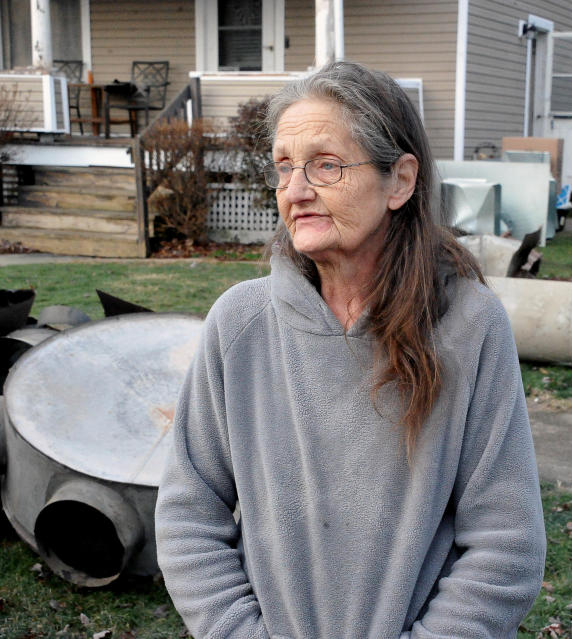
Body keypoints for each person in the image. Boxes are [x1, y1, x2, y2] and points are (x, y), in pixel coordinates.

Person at [155, 60, 546, 639]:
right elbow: (190, 516)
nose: (296, 191)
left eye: (325, 166)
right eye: (284, 167)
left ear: (401, 181)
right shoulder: (240, 326)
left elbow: (505, 545)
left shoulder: (469, 325)